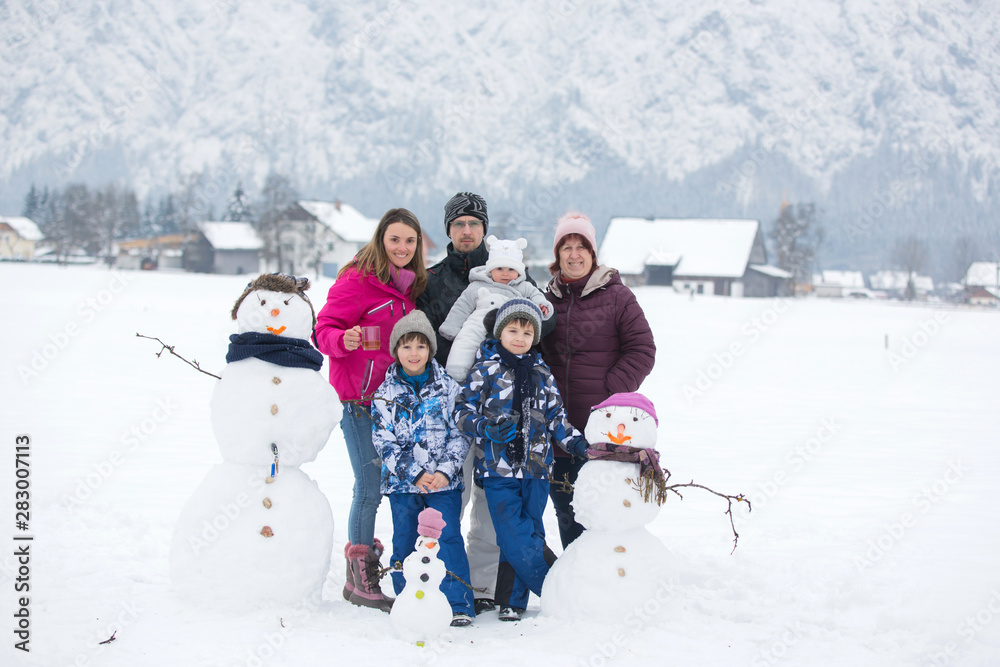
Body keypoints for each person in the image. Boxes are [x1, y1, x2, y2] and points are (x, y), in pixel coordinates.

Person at [417, 191, 553, 613]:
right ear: (448, 230)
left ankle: (481, 586)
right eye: (458, 224)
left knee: (491, 501)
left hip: (505, 409)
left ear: (485, 231)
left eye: (474, 223)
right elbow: (425, 337)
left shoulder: (515, 278)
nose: (466, 230)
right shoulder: (434, 280)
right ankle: (442, 582)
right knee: (449, 494)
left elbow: (538, 328)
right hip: (452, 405)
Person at [314, 208, 427, 612]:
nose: (401, 247)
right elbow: (322, 329)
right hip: (359, 401)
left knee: (392, 485)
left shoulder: (413, 287)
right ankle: (360, 579)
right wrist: (345, 339)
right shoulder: (357, 280)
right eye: (394, 239)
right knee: (369, 485)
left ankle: (379, 571)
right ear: (381, 240)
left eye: (410, 241)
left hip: (396, 404)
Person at [455, 299, 589, 621]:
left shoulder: (542, 373)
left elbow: (557, 417)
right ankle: (557, 587)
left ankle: (512, 602)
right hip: (498, 468)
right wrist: (485, 428)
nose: (519, 337)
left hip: (538, 468)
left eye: (527, 332)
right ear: (500, 332)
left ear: (535, 336)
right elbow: (461, 411)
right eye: (512, 330)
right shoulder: (484, 370)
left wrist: (580, 445)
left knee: (531, 529)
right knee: (511, 531)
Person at [539, 212, 656, 549]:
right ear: (557, 254)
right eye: (566, 247)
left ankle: (611, 581)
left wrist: (609, 393)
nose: (574, 254)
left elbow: (643, 349)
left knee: (603, 511)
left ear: (592, 254)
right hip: (559, 430)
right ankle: (578, 585)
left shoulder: (618, 297)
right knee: (567, 511)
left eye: (581, 247)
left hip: (604, 432)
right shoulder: (547, 301)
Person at [371, 311, 475, 626]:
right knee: (405, 540)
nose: (414, 353)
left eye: (420, 346)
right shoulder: (384, 394)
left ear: (430, 349)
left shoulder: (449, 389)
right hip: (403, 486)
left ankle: (459, 604)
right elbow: (383, 441)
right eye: (406, 347)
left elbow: (461, 433)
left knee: (448, 538)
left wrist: (444, 470)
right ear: (396, 351)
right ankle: (408, 603)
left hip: (443, 484)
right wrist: (414, 473)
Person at [438, 235, 553, 381]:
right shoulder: (477, 286)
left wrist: (542, 305)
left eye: (511, 269)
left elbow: (536, 295)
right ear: (490, 270)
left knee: (509, 348)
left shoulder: (522, 286)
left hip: (509, 329)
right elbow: (462, 307)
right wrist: (450, 328)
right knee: (465, 339)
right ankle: (457, 372)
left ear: (518, 272)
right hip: (478, 322)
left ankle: (502, 378)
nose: (505, 273)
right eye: (499, 268)